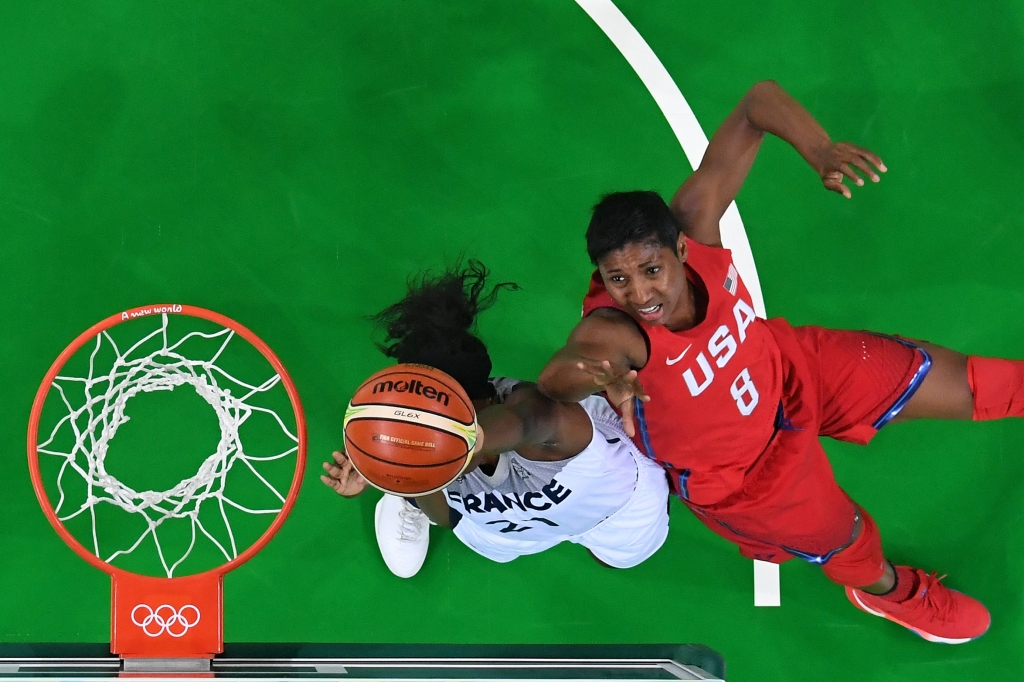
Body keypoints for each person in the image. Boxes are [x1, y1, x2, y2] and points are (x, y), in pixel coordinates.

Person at [537, 80, 999, 643]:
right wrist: (592, 378)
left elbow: (757, 102)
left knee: (967, 382)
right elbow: (557, 375)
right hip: (747, 481)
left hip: (791, 372)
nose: (639, 293)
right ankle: (891, 593)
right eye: (619, 280)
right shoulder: (616, 333)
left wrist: (820, 150)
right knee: (847, 539)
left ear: (680, 248)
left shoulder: (696, 223)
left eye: (650, 270)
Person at [322, 261, 669, 578]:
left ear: (489, 398)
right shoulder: (427, 446)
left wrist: (460, 443)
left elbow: (528, 421)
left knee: (612, 559)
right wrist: (402, 478)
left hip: (616, 508)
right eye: (425, 425)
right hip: (508, 529)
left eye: (455, 420)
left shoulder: (545, 417)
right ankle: (402, 502)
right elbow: (448, 517)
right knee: (493, 542)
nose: (436, 434)